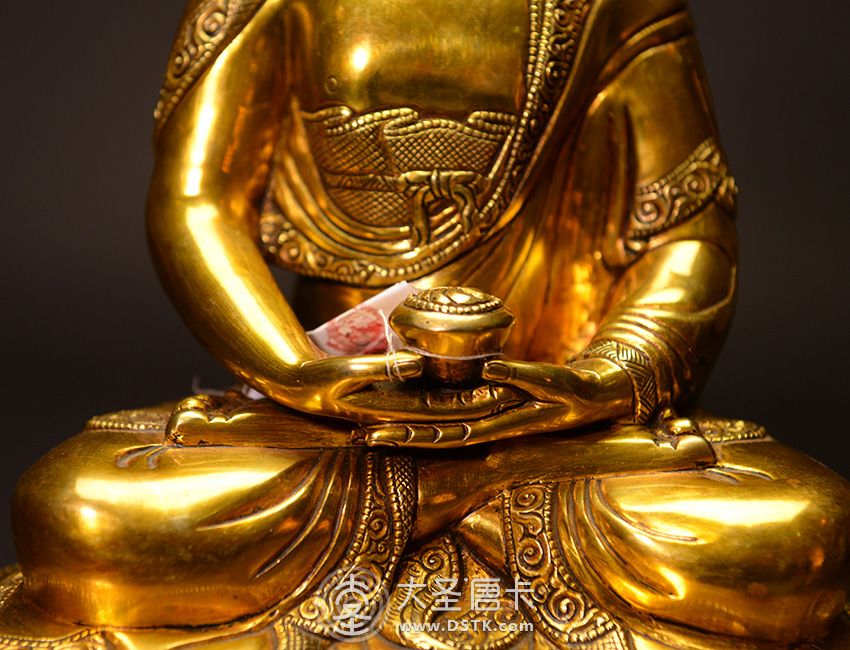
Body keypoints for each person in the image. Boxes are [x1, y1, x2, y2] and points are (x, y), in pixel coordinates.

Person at [3, 0, 849, 647]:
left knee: (795, 533)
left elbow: (688, 237)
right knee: (86, 511)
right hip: (339, 418)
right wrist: (291, 370)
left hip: (558, 420)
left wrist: (598, 381)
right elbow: (197, 201)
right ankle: (477, 495)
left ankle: (440, 492)